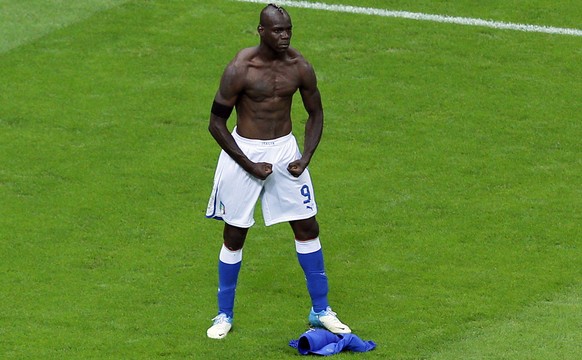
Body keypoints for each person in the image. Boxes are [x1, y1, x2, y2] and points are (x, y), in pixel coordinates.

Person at [205, 3, 351, 340]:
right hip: (244, 152)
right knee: (234, 234)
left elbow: (315, 113)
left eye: (288, 30)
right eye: (277, 31)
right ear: (261, 31)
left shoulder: (299, 66)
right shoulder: (240, 68)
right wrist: (249, 164)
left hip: (285, 151)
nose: (284, 36)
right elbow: (216, 123)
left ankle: (321, 310)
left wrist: (306, 156)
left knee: (307, 225)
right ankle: (223, 314)